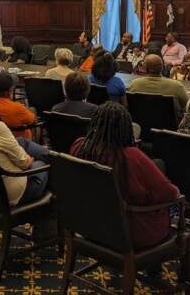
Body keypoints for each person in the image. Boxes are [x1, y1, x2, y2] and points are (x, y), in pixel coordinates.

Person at [71, 102, 180, 250]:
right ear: (126, 129)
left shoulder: (79, 146)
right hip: (127, 232)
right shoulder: (132, 157)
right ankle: (153, 265)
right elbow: (171, 193)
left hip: (88, 225)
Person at [127, 54, 188, 121]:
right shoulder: (177, 86)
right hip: (169, 127)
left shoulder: (134, 84)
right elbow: (187, 106)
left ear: (145, 68)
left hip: (140, 125)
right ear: (162, 67)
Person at [0, 72, 37, 140]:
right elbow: (33, 121)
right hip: (18, 142)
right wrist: (24, 110)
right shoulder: (16, 108)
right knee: (33, 110)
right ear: (9, 90)